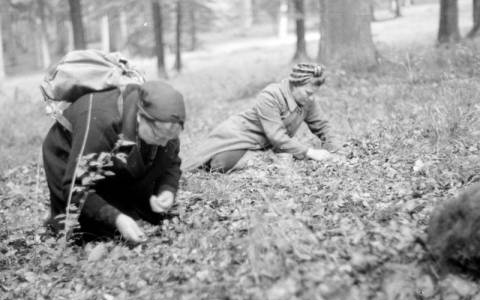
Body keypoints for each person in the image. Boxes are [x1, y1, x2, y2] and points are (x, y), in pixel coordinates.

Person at [42, 81, 186, 244]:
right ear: (140, 117)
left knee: (150, 216)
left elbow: (171, 161)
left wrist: (167, 189)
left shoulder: (165, 127)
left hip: (112, 158)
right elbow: (76, 186)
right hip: (68, 156)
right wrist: (117, 218)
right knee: (91, 233)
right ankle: (55, 216)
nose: (164, 143)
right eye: (159, 135)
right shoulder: (103, 123)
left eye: (171, 137)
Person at [182, 63, 340, 173]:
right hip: (238, 134)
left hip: (262, 144)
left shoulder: (307, 100)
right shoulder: (270, 95)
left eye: (314, 94)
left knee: (227, 162)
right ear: (295, 85)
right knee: (219, 164)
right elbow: (276, 136)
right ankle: (260, 158)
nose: (312, 98)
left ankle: (260, 157)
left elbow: (323, 126)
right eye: (309, 93)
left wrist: (335, 151)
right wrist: (309, 152)